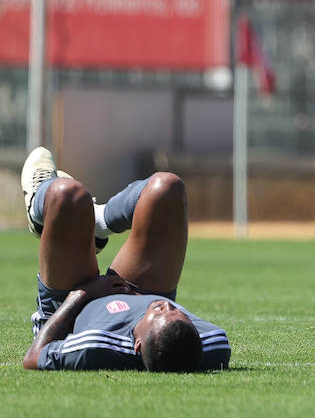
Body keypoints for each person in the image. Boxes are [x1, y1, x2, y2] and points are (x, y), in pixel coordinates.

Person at [19, 147, 231, 372]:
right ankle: (100, 222)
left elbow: (34, 357)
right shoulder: (209, 342)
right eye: (176, 314)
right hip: (141, 289)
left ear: (137, 346)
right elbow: (199, 337)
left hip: (73, 306)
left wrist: (84, 294)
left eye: (161, 313)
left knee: (67, 195)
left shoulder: (95, 345)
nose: (167, 306)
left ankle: (36, 205)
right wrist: (152, 305)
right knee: (167, 187)